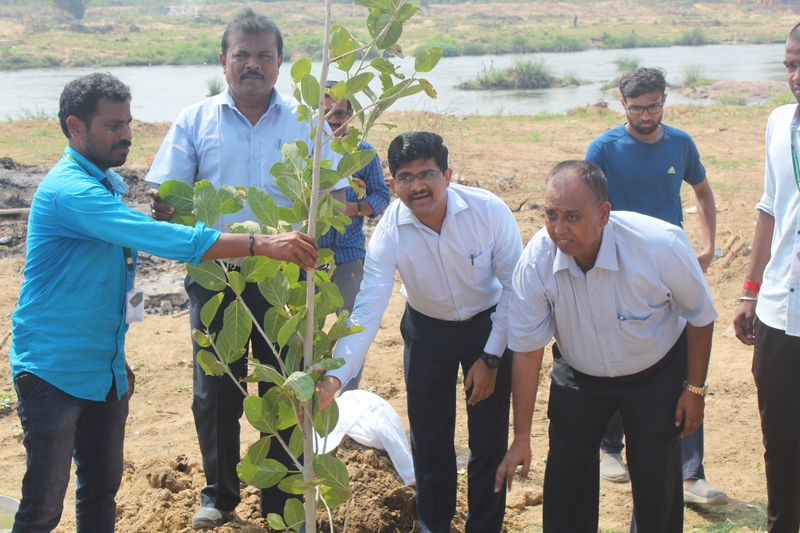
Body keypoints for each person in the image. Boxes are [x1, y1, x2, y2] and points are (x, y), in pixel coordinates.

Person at [8, 73, 317, 533]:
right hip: (53, 370)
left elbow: (119, 275)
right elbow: (156, 237)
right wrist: (260, 242)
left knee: (100, 492)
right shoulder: (71, 192)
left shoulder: (106, 183)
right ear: (75, 127)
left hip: (101, 371)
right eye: (113, 126)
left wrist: (115, 360)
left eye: (129, 122)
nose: (127, 135)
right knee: (42, 508)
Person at [145, 9, 342, 530]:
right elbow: (168, 198)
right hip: (217, 277)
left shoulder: (307, 121)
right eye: (242, 55)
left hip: (286, 284)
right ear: (223, 61)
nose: (252, 65)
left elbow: (335, 199)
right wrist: (165, 207)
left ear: (280, 64)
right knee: (215, 390)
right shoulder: (194, 120)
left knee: (285, 386)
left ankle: (280, 502)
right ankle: (220, 495)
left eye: (263, 56)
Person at [495, 161, 717, 533]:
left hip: (655, 374)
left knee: (655, 481)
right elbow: (528, 350)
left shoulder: (659, 245)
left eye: (571, 217)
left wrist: (694, 390)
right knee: (566, 480)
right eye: (550, 215)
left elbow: (700, 315)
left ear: (603, 214)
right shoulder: (536, 259)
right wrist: (520, 437)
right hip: (580, 375)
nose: (558, 229)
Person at [318, 132, 522, 533]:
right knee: (429, 441)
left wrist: (492, 357)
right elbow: (367, 309)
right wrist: (335, 376)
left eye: (427, 174)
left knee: (488, 441)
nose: (418, 186)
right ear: (392, 184)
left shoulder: (488, 211)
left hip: (489, 325)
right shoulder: (389, 233)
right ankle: (433, 525)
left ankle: (485, 527)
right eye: (406, 177)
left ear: (447, 174)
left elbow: (516, 288)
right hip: (427, 331)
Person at [585, 66, 726, 506]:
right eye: (638, 108)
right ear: (621, 104)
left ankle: (691, 474)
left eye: (655, 106)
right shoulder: (604, 148)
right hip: (619, 264)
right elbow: (586, 201)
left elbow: (702, 192)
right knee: (620, 353)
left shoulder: (680, 143)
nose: (647, 115)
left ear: (665, 100)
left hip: (672, 263)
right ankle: (609, 449)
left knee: (683, 362)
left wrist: (707, 245)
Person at [733, 23, 800, 533]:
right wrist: (749, 289)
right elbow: (770, 208)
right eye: (790, 65)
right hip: (780, 308)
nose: (795, 76)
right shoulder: (779, 122)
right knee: (780, 436)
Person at [317, 84, 390, 392]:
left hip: (349, 255)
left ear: (352, 115)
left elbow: (382, 197)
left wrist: (353, 208)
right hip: (311, 255)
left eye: (341, 113)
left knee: (351, 331)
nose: (334, 120)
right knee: (308, 331)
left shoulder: (363, 153)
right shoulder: (310, 152)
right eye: (328, 112)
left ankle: (346, 403)